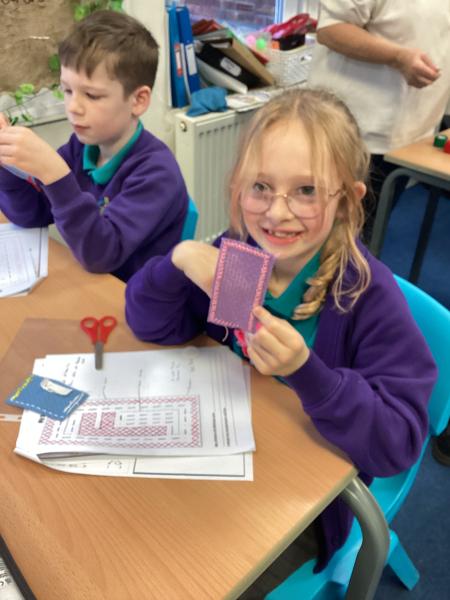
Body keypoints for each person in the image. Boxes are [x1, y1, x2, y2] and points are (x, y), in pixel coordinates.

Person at [125, 88, 437, 595]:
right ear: (238, 187)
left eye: (307, 191)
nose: (277, 212)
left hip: (306, 508)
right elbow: (150, 324)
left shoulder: (366, 296)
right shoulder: (239, 256)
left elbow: (397, 443)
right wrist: (179, 259)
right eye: (261, 187)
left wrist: (307, 373)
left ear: (347, 200)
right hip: (218, 457)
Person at [0, 10, 188, 282]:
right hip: (92, 285)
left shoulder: (157, 172)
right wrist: (6, 161)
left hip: (135, 298)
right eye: (67, 90)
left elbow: (101, 254)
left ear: (138, 100)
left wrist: (56, 176)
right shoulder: (81, 148)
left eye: (91, 95)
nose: (73, 107)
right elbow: (32, 215)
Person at [307, 0, 450, 242]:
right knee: (323, 233)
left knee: (363, 233)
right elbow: (331, 29)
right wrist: (398, 57)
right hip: (354, 132)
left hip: (410, 136)